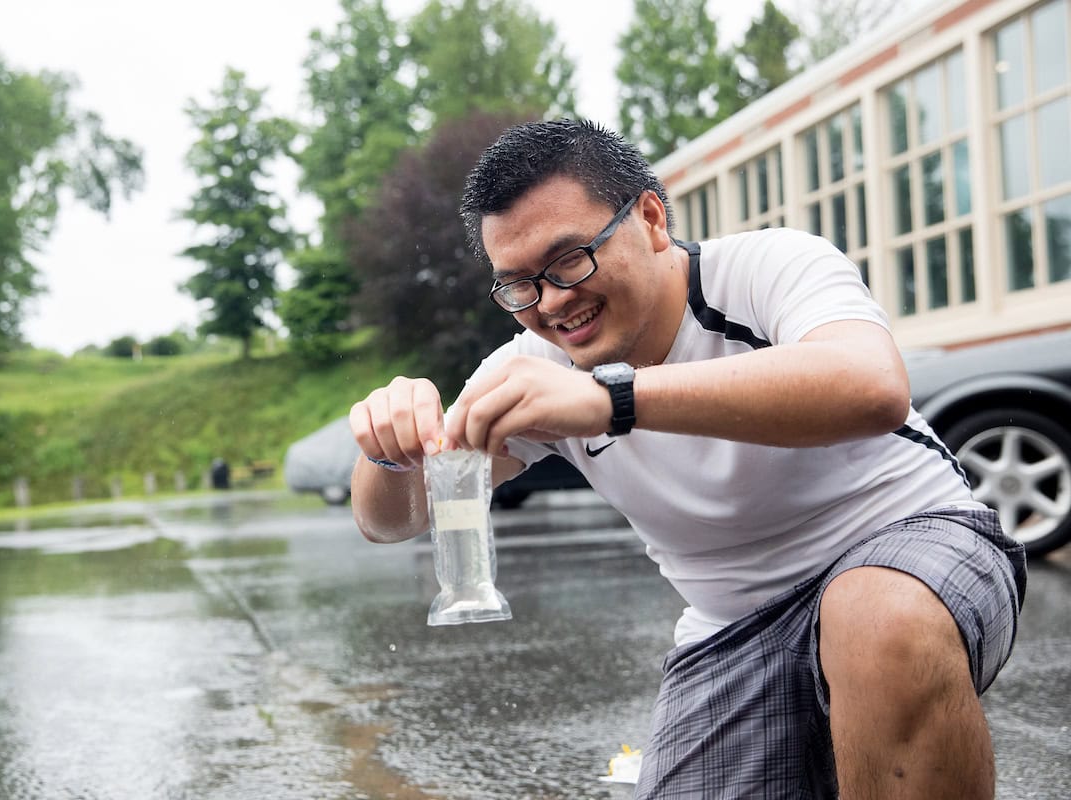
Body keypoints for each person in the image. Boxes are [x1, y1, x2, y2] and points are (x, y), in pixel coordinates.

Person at [348, 119, 1025, 799]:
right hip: (732, 623)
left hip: (911, 541)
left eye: (570, 260)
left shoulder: (768, 266)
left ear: (649, 219)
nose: (551, 302)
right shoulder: (530, 365)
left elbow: (870, 386)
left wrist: (612, 398)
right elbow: (391, 521)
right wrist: (390, 453)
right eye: (519, 284)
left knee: (878, 619)